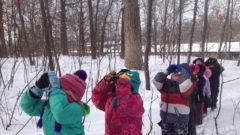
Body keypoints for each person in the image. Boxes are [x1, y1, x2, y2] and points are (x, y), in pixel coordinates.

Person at [20, 70, 89, 135]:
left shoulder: (76, 109)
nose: (55, 90)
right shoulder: (50, 106)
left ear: (71, 93)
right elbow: (27, 106)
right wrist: (38, 89)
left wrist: (55, 91)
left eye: (60, 88)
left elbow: (60, 114)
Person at [91, 69, 144, 135]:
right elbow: (96, 97)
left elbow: (124, 102)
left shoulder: (135, 100)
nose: (117, 84)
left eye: (121, 83)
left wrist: (120, 80)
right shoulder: (113, 99)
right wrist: (106, 84)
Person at [152, 63, 194, 135]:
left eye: (178, 72)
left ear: (185, 75)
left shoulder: (187, 86)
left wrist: (182, 72)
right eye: (174, 72)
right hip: (166, 119)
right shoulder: (166, 84)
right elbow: (156, 81)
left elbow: (184, 88)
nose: (175, 73)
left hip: (179, 121)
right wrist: (166, 72)